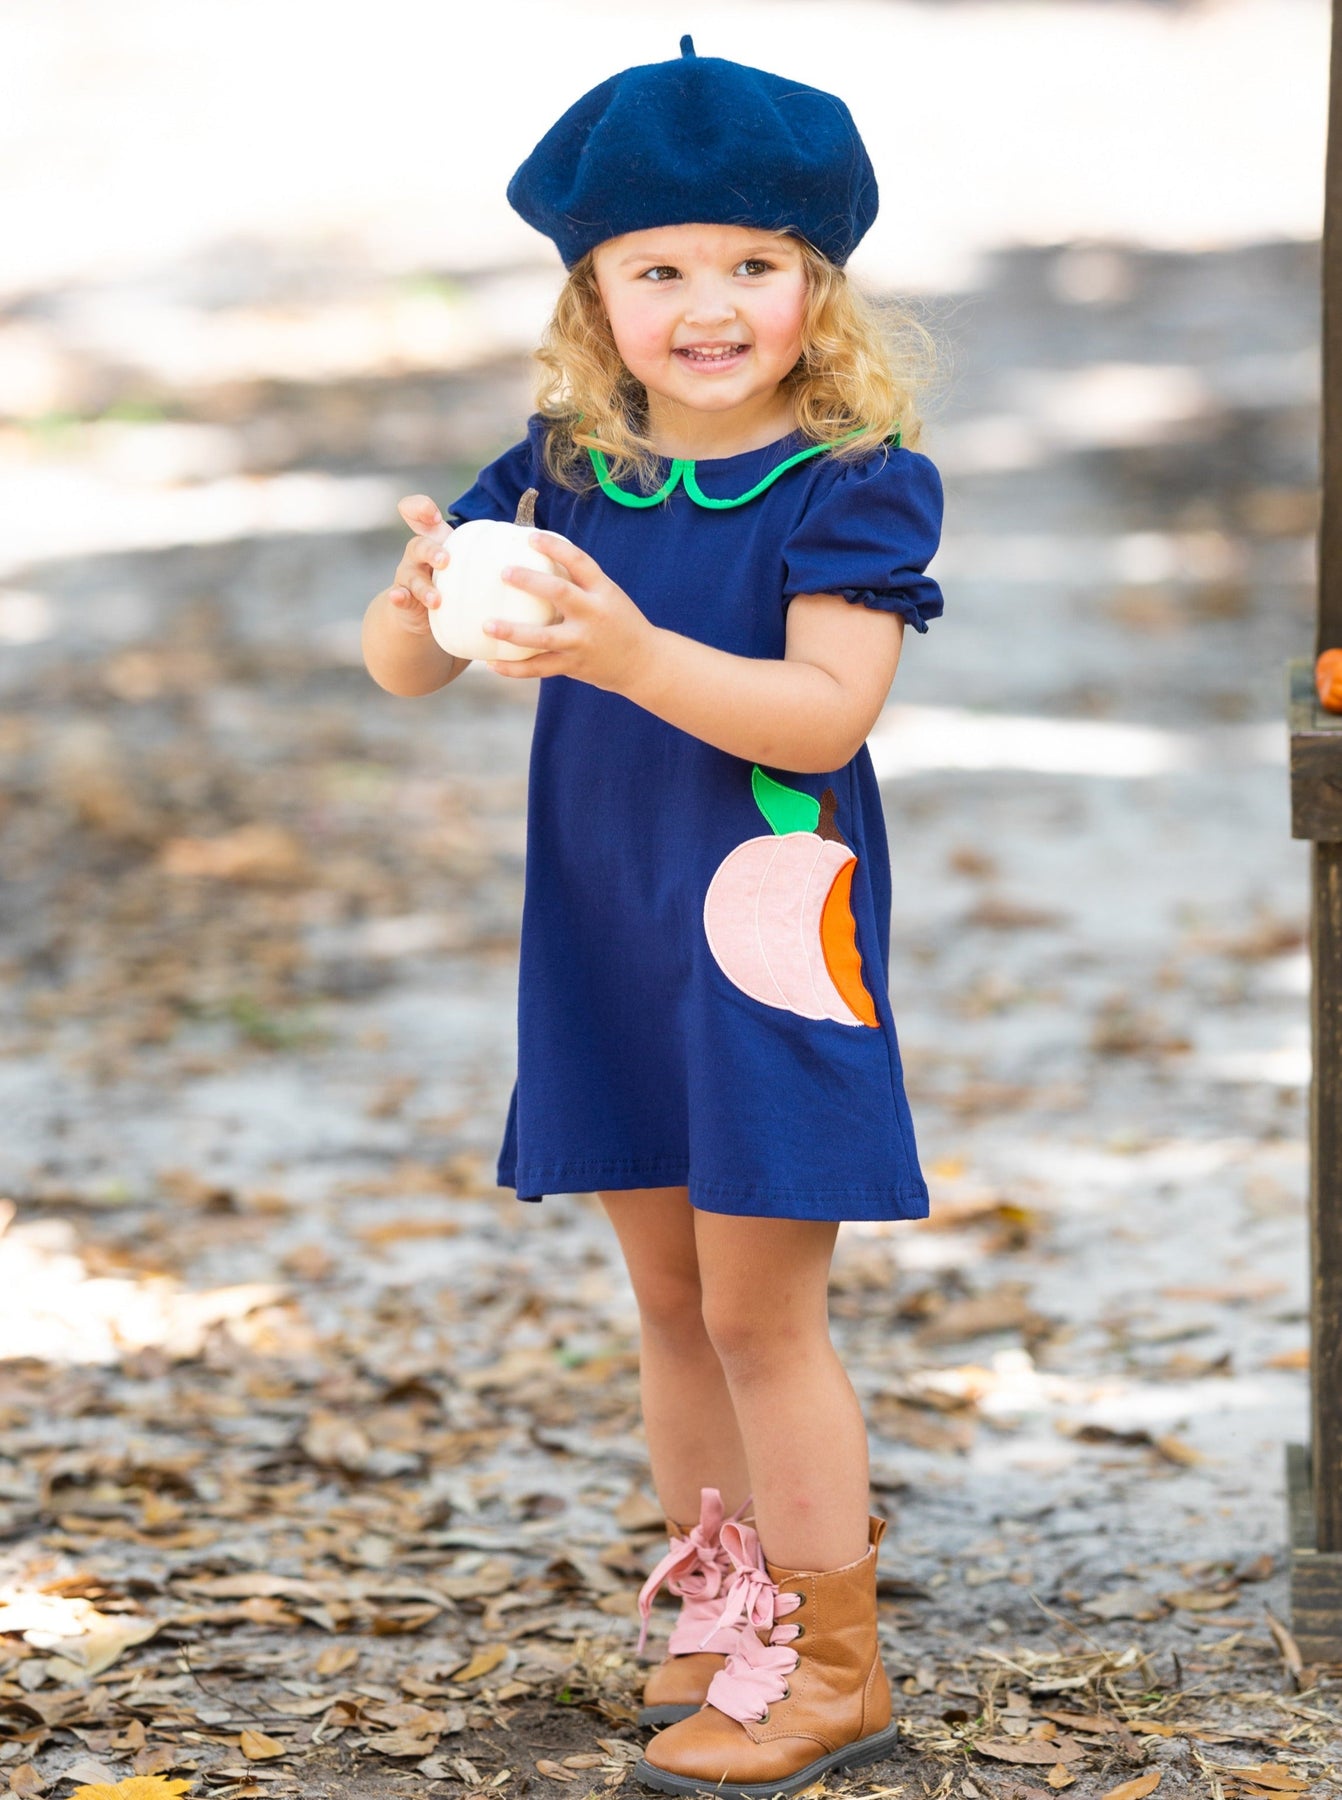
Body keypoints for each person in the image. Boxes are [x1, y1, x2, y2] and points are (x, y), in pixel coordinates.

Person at [361, 35, 944, 1800]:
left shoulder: (849, 482)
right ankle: (726, 1606)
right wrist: (417, 595)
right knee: (673, 1303)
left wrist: (623, 651)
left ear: (816, 288)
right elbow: (403, 673)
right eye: (658, 269)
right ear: (592, 297)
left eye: (753, 264)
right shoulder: (563, 468)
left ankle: (831, 1667)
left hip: (761, 934)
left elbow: (820, 719)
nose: (707, 306)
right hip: (609, 929)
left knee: (764, 1315)